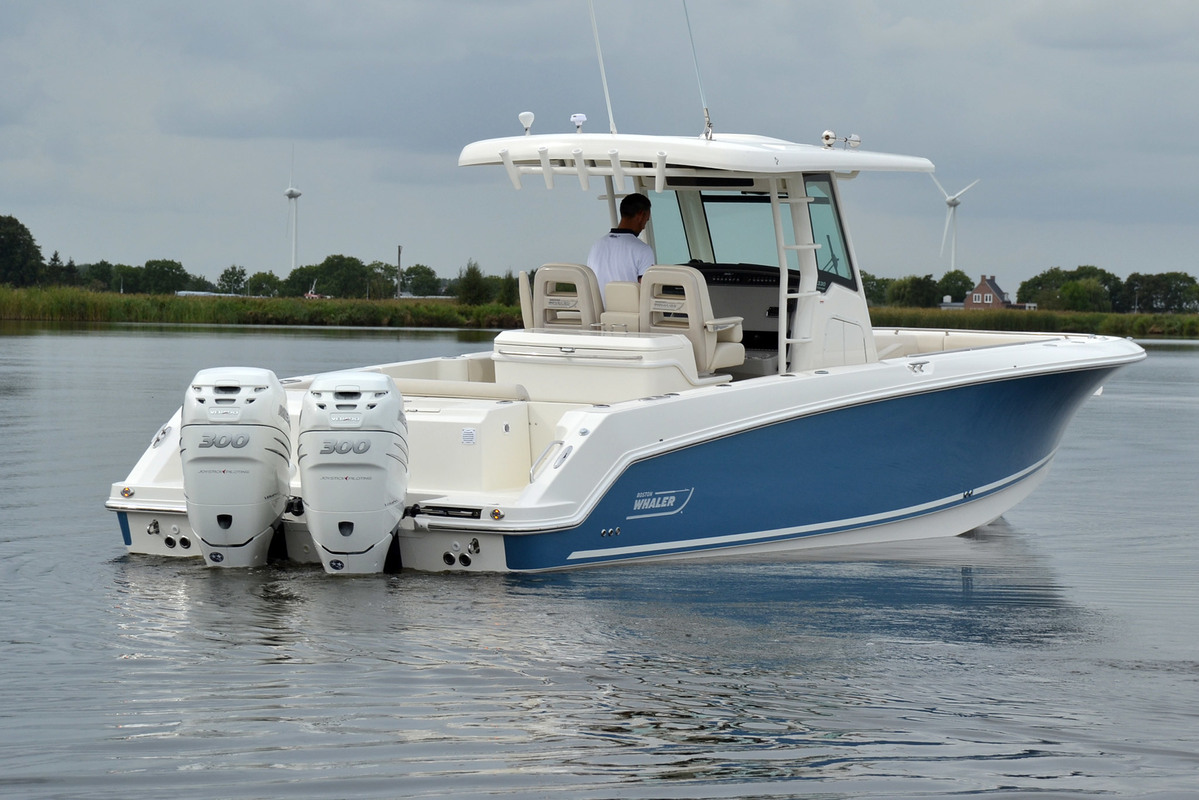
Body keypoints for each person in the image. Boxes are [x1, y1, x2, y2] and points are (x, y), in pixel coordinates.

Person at [586, 193, 653, 302]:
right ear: (641, 215)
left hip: (600, 316)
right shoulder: (643, 250)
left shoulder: (596, 246)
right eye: (646, 220)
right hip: (631, 317)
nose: (644, 227)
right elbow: (647, 292)